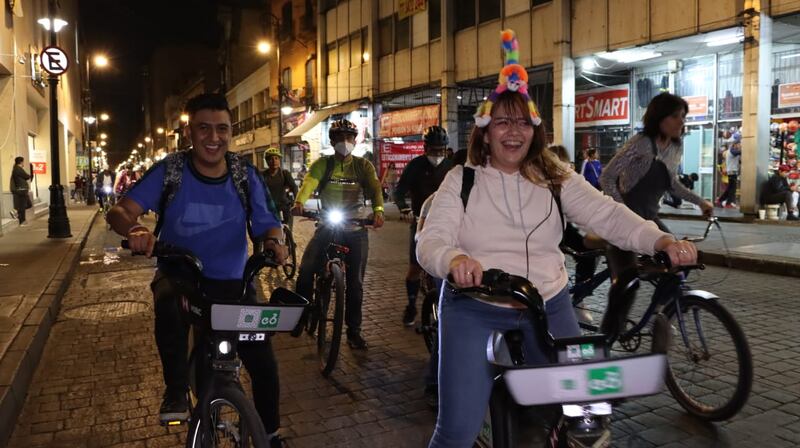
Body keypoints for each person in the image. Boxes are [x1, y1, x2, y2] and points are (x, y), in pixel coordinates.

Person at [416, 29, 699, 447]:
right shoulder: (462, 179)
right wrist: (455, 261)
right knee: (456, 430)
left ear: (536, 129)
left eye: (523, 122)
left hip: (547, 302)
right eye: (501, 121)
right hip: (473, 306)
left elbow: (607, 212)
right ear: (485, 130)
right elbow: (432, 239)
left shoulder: (554, 176)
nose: (513, 132)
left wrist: (660, 241)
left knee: (586, 413)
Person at [106, 93, 289, 447]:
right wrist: (135, 230)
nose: (213, 137)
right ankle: (175, 389)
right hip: (183, 278)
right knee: (167, 302)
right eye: (204, 128)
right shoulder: (171, 170)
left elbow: (268, 222)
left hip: (235, 284)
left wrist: (272, 242)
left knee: (263, 362)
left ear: (230, 131)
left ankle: (271, 434)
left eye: (222, 129)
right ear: (189, 132)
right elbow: (120, 211)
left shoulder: (243, 173)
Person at [291, 119, 385, 349]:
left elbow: (374, 189)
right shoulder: (323, 164)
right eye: (340, 138)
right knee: (305, 271)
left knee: (356, 284)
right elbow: (309, 184)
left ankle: (354, 332)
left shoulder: (364, 166)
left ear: (355, 140)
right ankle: (300, 316)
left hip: (355, 228)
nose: (345, 142)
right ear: (332, 141)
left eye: (349, 137)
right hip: (328, 225)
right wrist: (299, 202)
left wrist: (378, 211)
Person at [600, 92, 714, 234]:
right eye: (675, 116)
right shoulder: (641, 143)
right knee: (628, 254)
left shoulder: (675, 148)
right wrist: (621, 210)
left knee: (671, 250)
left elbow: (672, 184)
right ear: (659, 118)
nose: (681, 121)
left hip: (649, 216)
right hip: (625, 218)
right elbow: (607, 176)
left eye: (683, 116)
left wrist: (700, 202)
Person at [393, 125, 453, 327]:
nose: (437, 154)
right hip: (421, 223)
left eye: (441, 150)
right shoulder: (415, 166)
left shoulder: (452, 168)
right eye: (434, 150)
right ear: (425, 148)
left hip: (448, 224)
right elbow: (399, 191)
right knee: (415, 268)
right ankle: (411, 305)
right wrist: (404, 210)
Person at [261, 146, 298, 228]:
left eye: (276, 158)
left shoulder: (285, 174)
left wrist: (297, 202)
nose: (274, 161)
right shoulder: (262, 176)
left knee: (287, 228)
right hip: (271, 207)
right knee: (274, 229)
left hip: (285, 205)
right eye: (271, 159)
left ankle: (289, 239)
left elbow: (294, 187)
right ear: (267, 161)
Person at [717, 140, 741, 208]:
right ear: (735, 144)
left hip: (732, 172)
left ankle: (720, 200)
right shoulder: (732, 151)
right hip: (732, 172)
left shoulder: (733, 152)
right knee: (732, 189)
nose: (740, 146)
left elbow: (738, 160)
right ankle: (728, 203)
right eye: (739, 144)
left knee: (730, 189)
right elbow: (740, 152)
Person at [9, 156, 31, 226]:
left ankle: (17, 213)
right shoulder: (18, 169)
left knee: (28, 204)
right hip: (22, 190)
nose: (23, 163)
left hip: (22, 189)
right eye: (23, 161)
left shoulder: (16, 169)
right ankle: (21, 220)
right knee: (23, 206)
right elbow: (27, 176)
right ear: (21, 162)